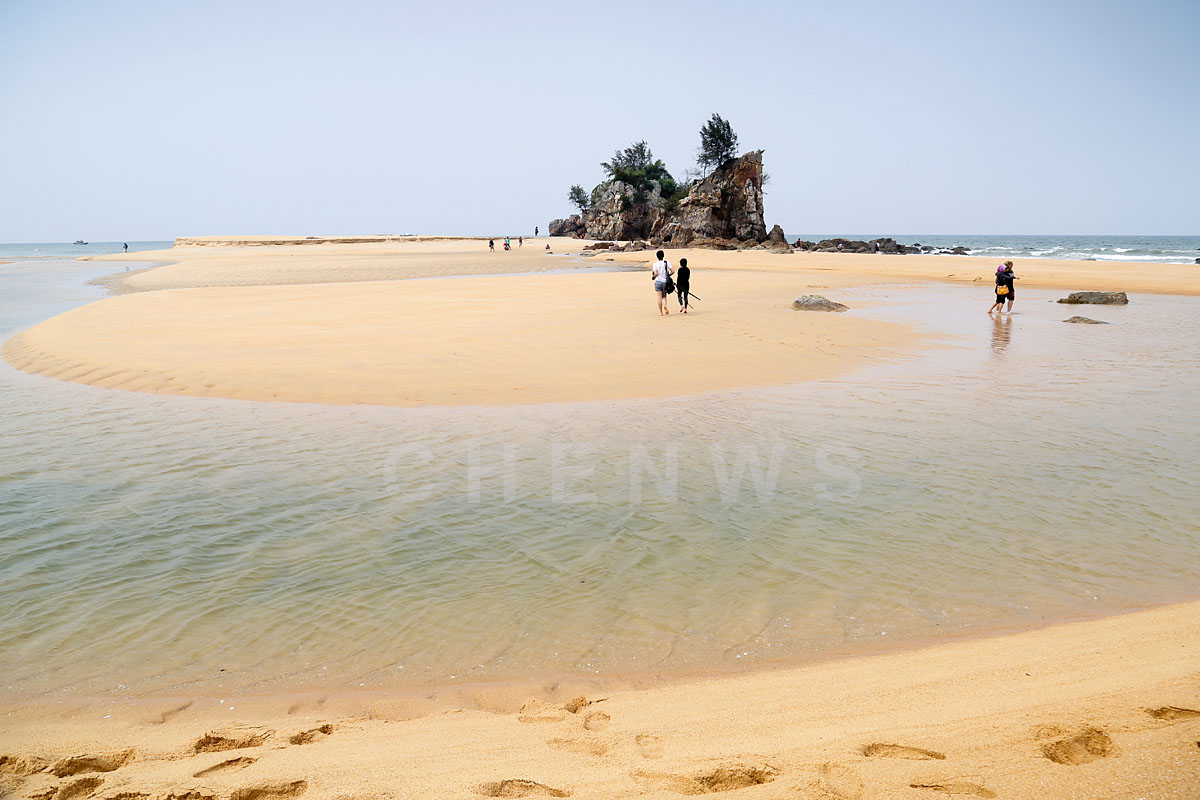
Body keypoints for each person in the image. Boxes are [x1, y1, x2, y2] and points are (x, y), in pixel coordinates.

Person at [651, 250, 673, 316]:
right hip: (665, 282)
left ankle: (661, 313)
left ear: (657, 256)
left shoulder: (655, 264)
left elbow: (656, 273)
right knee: (664, 296)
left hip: (658, 281)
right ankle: (665, 305)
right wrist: (668, 275)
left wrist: (653, 277)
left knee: (659, 297)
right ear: (663, 256)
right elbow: (673, 271)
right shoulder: (667, 263)